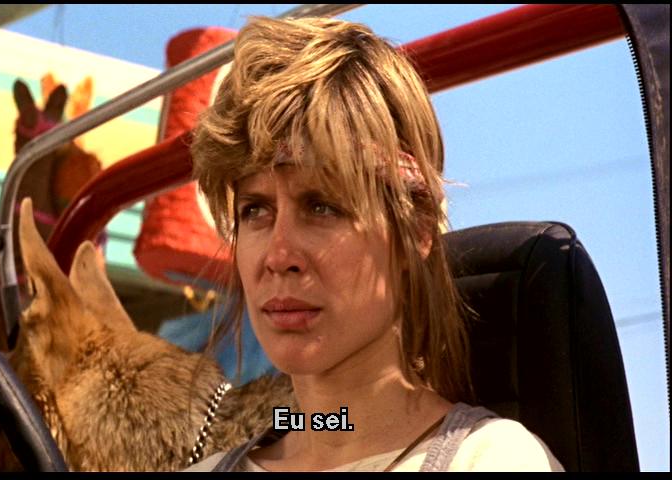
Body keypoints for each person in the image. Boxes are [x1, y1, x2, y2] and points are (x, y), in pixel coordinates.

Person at [185, 16, 563, 472]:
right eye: (255, 210)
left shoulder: (492, 461)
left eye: (322, 206)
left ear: (417, 229)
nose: (278, 257)